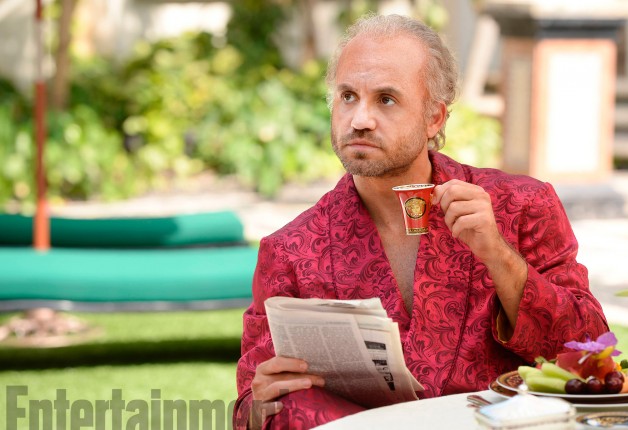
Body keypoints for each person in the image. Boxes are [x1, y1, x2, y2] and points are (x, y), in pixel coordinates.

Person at [233, 13, 609, 430]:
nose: (360, 119)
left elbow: (592, 356)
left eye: (386, 99)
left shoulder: (521, 206)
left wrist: (499, 257)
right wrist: (260, 403)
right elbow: (250, 404)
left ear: (435, 118)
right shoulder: (290, 250)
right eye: (348, 96)